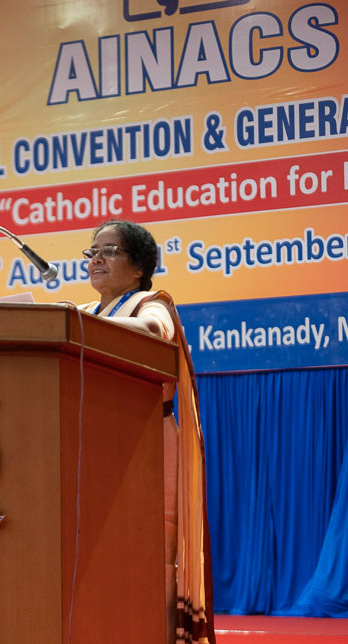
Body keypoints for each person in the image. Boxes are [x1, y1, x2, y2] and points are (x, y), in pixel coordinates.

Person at [79, 219, 215, 644]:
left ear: (138, 266)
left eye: (109, 251)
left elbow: (158, 332)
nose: (95, 259)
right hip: (95, 447)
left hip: (150, 443)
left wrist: (79, 328)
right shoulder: (81, 315)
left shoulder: (148, 302)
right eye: (92, 252)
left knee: (154, 555)